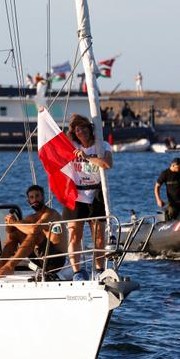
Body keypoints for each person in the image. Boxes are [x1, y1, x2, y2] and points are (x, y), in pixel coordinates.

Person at [64, 114, 113, 280]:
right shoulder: (71, 145)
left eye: (84, 127)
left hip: (96, 193)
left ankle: (99, 270)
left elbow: (107, 164)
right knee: (75, 235)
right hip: (76, 194)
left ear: (90, 129)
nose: (81, 132)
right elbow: (55, 143)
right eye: (77, 129)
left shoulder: (101, 146)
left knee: (99, 236)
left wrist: (87, 157)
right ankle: (77, 272)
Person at [0, 185, 66, 277]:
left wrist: (14, 222)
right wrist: (10, 222)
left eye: (37, 196)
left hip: (55, 260)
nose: (35, 199)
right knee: (15, 233)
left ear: (43, 197)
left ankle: (9, 267)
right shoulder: (32, 217)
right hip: (41, 260)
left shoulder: (50, 214)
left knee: (34, 234)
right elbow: (10, 230)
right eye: (32, 197)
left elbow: (34, 229)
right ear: (29, 201)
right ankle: (2, 264)